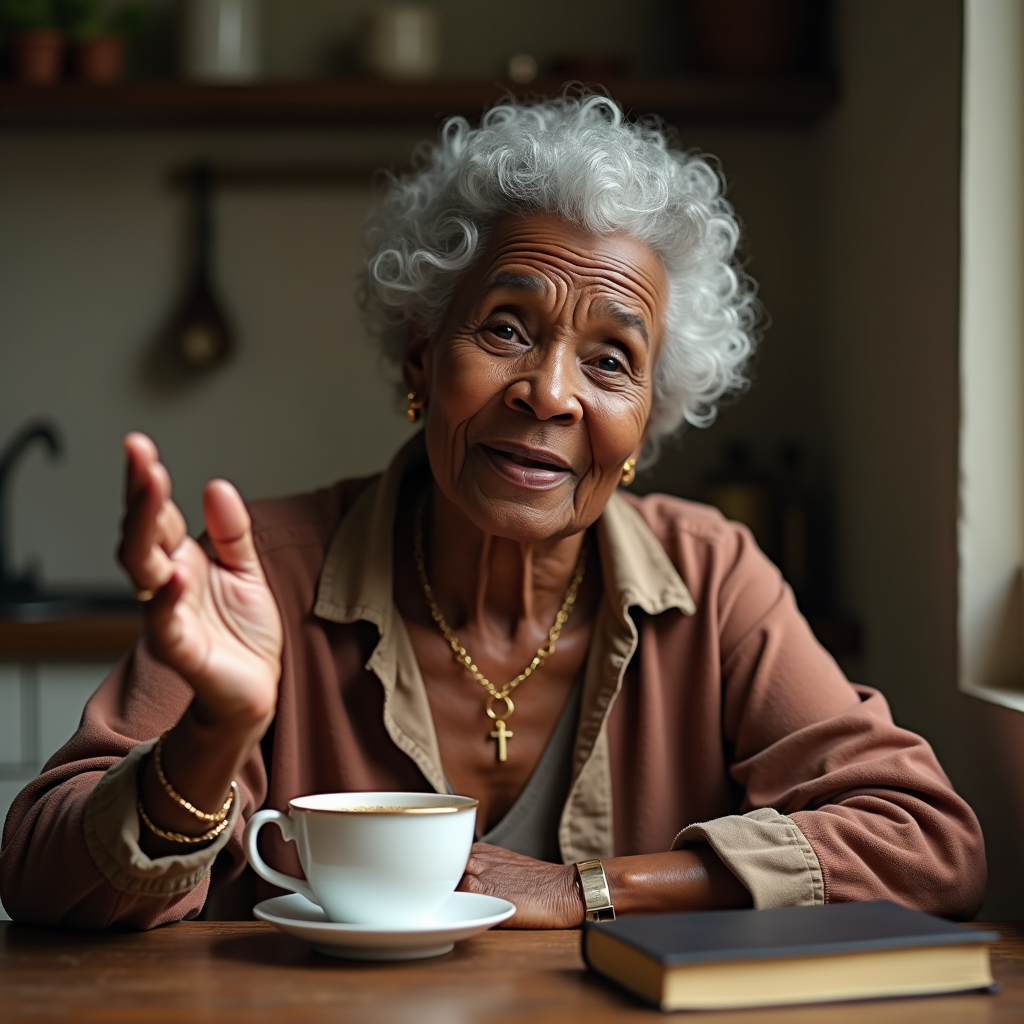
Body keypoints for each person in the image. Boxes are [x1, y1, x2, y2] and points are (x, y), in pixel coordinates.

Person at [0, 95, 984, 929]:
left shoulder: (714, 576)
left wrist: (594, 887)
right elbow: (42, 880)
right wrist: (218, 727)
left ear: (648, 418)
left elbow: (927, 841)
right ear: (422, 357)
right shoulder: (266, 568)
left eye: (610, 360)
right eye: (506, 326)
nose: (549, 392)